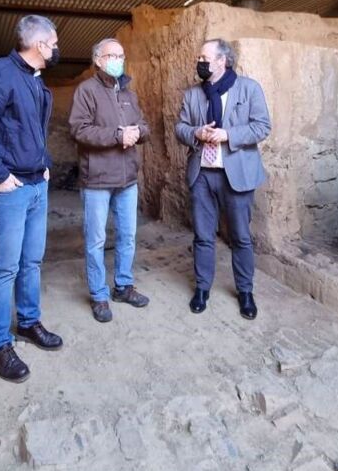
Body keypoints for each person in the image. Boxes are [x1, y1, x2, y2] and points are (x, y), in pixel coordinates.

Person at [0, 15, 64, 383]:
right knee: (5, 268)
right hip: (11, 189)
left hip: (36, 184)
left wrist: (44, 163)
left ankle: (29, 323)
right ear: (39, 45)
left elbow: (30, 132)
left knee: (31, 261)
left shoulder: (34, 79)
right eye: (54, 44)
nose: (56, 50)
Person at [174, 38, 272, 319]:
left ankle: (245, 291)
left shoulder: (248, 88)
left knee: (240, 236)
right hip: (202, 174)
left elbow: (262, 126)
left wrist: (228, 135)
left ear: (222, 61)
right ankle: (202, 288)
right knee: (203, 236)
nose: (199, 62)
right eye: (199, 58)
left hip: (237, 174)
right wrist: (196, 133)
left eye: (204, 58)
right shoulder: (193, 94)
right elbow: (180, 127)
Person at [69, 38, 151, 323]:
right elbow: (79, 130)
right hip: (98, 179)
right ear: (98, 60)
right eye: (112, 55)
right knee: (96, 239)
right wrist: (117, 135)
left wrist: (138, 132)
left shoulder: (128, 93)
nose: (118, 60)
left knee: (127, 235)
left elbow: (144, 125)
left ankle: (123, 286)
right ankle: (99, 295)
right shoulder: (86, 91)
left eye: (121, 55)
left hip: (127, 179)